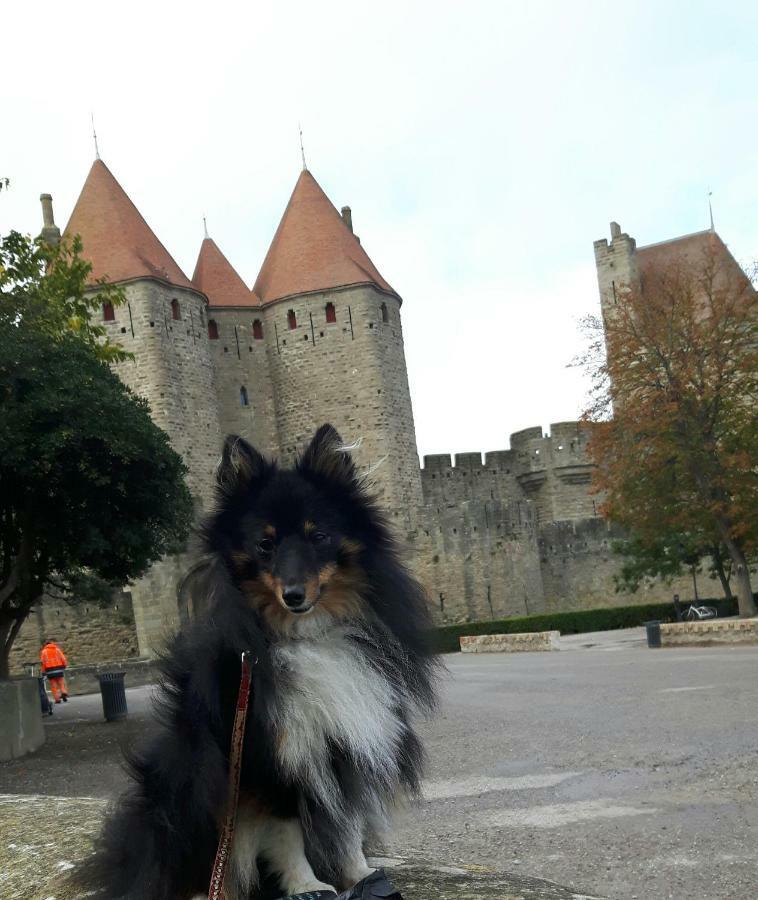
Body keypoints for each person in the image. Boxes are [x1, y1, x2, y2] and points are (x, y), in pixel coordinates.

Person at [40, 639, 69, 704]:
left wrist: (43, 671)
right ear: (51, 644)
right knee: (61, 683)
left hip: (49, 670)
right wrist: (64, 665)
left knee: (53, 686)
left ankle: (57, 699)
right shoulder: (57, 650)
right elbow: (63, 658)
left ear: (45, 645)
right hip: (59, 669)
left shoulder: (44, 652)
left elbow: (43, 662)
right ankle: (64, 692)